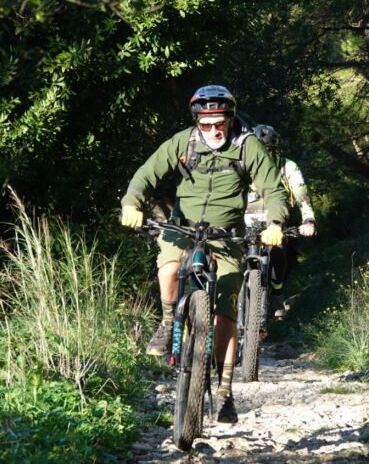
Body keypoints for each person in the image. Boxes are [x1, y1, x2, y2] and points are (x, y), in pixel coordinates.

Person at [119, 85, 288, 424]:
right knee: (168, 270)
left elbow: (273, 189)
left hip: (226, 235)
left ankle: (225, 393)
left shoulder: (248, 145)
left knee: (226, 314)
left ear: (230, 118)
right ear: (198, 120)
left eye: (220, 121)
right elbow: (147, 173)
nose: (214, 129)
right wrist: (131, 202)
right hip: (182, 227)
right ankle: (168, 324)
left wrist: (276, 222)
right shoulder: (183, 142)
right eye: (207, 122)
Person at [245, 124, 316, 319]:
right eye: (258, 150)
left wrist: (308, 219)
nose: (263, 155)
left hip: (274, 219)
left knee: (275, 248)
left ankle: (276, 293)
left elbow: (302, 196)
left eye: (267, 150)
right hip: (244, 219)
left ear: (274, 149)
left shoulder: (288, 167)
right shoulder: (242, 165)